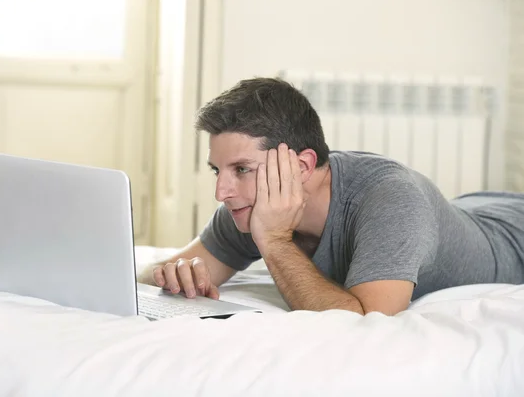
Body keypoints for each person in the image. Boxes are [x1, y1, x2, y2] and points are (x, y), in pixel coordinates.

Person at [138, 77, 524, 316]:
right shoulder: (249, 202)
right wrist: (172, 273)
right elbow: (156, 274)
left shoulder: (392, 201)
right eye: (217, 171)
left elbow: (366, 319)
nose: (222, 192)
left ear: (302, 166)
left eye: (241, 169)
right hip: (470, 210)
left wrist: (273, 241)